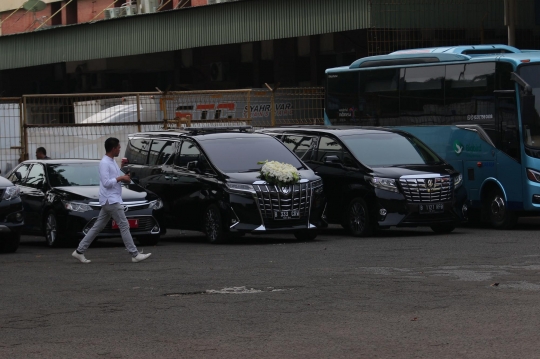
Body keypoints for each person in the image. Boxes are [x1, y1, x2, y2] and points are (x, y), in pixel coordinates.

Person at [72, 137, 151, 263]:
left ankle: (79, 251)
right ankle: (134, 254)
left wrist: (125, 176)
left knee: (98, 226)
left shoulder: (112, 161)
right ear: (113, 148)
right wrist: (121, 178)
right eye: (119, 147)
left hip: (111, 199)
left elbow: (116, 176)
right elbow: (106, 183)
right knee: (124, 225)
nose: (120, 149)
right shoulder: (104, 163)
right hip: (111, 200)